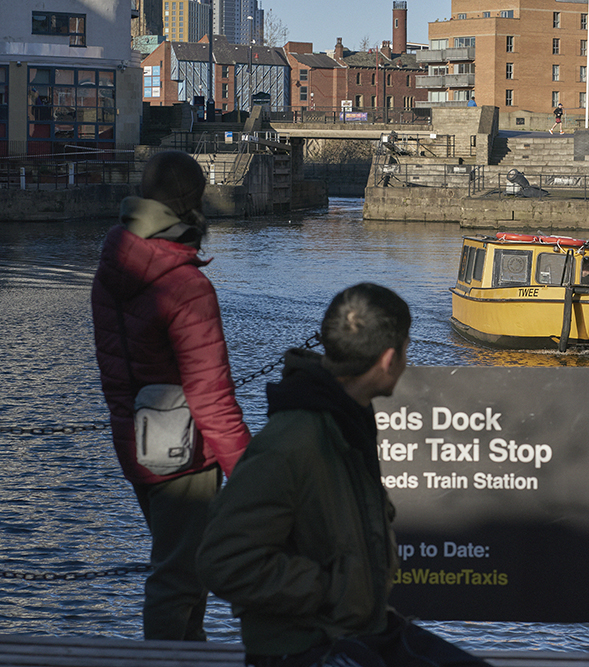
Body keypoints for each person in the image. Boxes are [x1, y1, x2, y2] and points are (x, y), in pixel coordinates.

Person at [197, 284, 491, 667]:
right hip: (302, 648)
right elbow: (222, 560)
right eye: (406, 348)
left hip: (360, 629)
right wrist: (332, 588)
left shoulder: (346, 419)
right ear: (390, 359)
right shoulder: (293, 441)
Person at [91, 150, 251, 640]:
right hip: (185, 454)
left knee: (182, 569)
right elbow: (212, 397)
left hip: (135, 439)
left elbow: (117, 368)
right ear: (193, 203)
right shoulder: (185, 285)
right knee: (179, 580)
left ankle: (186, 654)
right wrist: (250, 473)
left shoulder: (113, 264)